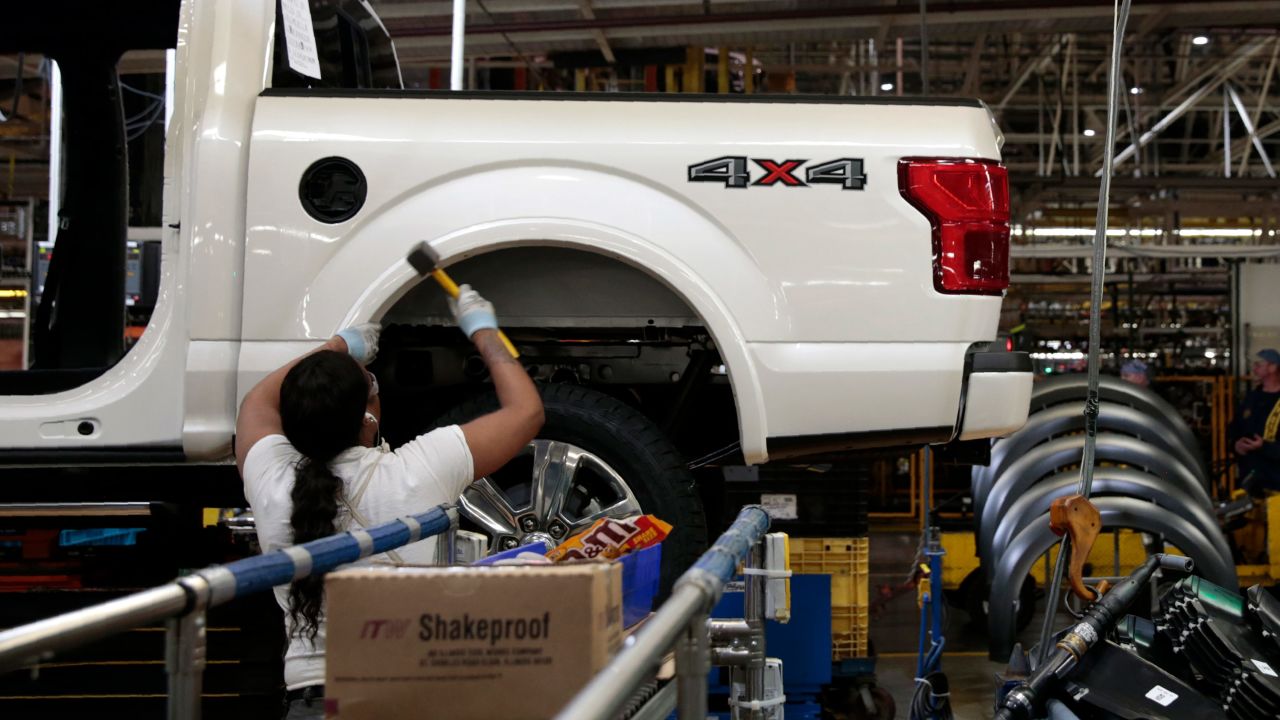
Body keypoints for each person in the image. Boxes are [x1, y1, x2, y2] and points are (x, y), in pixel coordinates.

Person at [235, 285, 543, 720]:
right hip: (404, 698)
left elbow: (257, 401)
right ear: (369, 414)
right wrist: (483, 332)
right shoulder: (416, 471)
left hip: (310, 702)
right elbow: (526, 412)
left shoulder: (271, 479)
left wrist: (338, 346)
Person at [1230, 348, 1280, 495]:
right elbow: (1235, 428)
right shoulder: (1251, 398)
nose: (1254, 369)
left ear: (1272, 367)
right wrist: (1236, 445)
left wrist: (1263, 446)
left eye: (1258, 365)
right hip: (1250, 483)